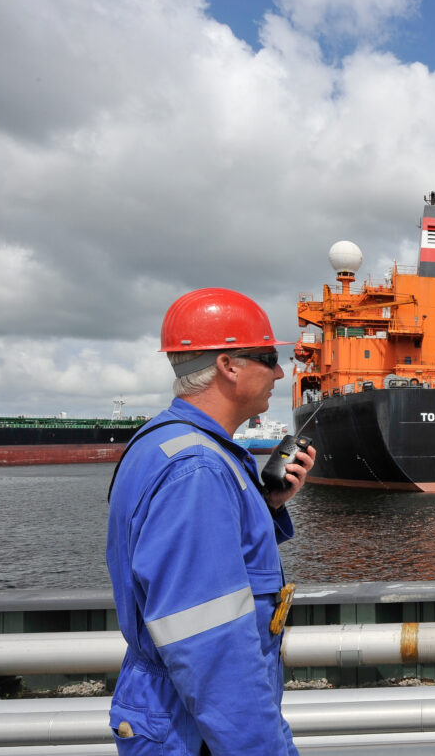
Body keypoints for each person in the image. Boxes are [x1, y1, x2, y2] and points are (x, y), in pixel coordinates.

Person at [105, 288, 315, 755]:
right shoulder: (197, 469)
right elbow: (212, 650)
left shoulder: (165, 442)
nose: (281, 372)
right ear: (228, 365)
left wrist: (271, 506)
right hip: (196, 730)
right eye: (267, 357)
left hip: (178, 716)